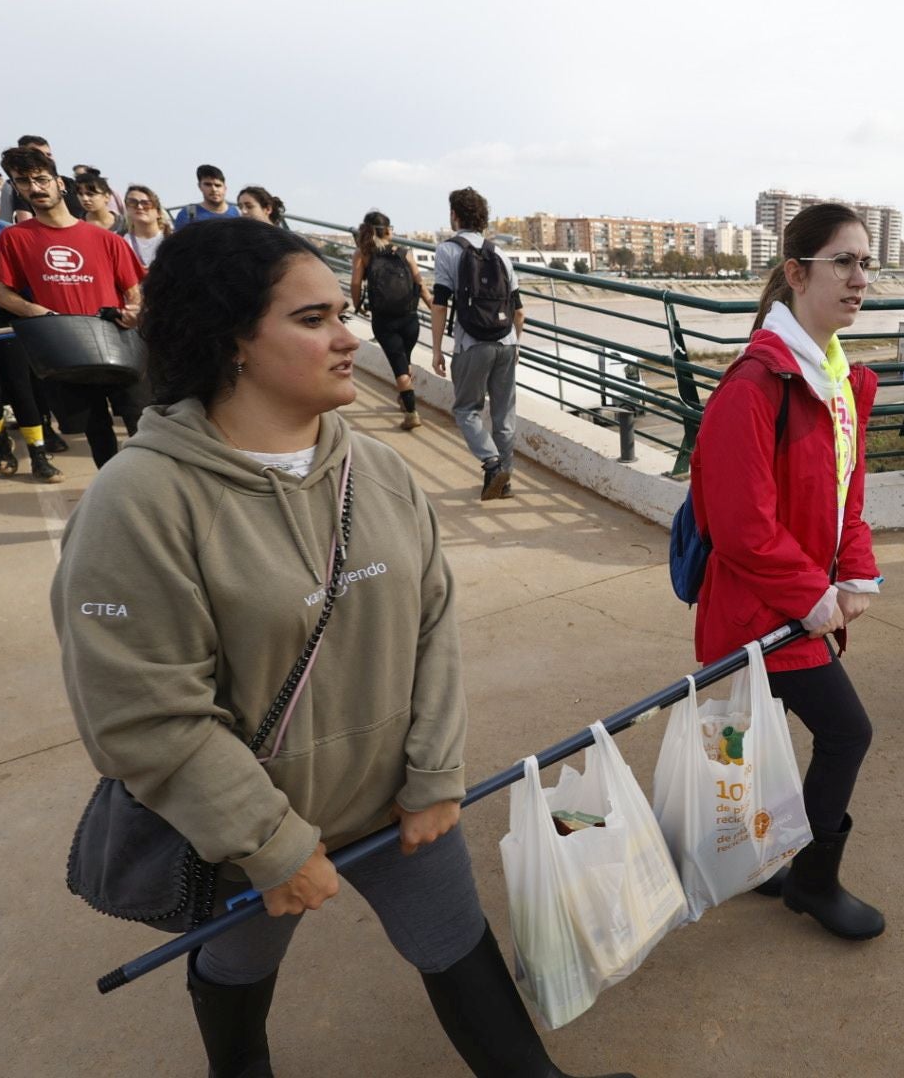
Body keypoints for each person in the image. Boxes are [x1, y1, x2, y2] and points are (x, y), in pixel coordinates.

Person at [49, 217, 635, 1078]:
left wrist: (435, 774)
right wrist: (274, 845)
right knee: (241, 962)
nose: (348, 337)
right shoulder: (138, 503)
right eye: (314, 318)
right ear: (231, 342)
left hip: (399, 802)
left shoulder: (378, 470)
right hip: (253, 829)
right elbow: (145, 716)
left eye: (342, 312)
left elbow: (431, 623)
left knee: (455, 940)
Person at [690, 202, 885, 940]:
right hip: (755, 611)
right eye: (844, 262)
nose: (860, 278)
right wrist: (812, 595)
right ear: (797, 274)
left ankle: (756, 860)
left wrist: (856, 575)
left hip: (797, 607)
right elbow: (741, 528)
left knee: (746, 739)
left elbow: (847, 494)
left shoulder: (835, 381)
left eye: (867, 262)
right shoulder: (757, 384)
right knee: (845, 732)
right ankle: (809, 879)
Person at [0, 146, 144, 468]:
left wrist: (133, 313)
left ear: (60, 183)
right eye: (23, 181)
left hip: (117, 343)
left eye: (41, 179)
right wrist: (41, 314)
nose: (34, 188)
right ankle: (113, 496)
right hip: (66, 350)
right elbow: (3, 294)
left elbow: (134, 293)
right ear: (16, 188)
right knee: (97, 434)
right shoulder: (15, 238)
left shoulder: (107, 240)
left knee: (142, 425)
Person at [0, 170, 62, 482]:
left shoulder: (2, 231)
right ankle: (1, 439)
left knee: (22, 388)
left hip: (5, 320)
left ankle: (38, 453)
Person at [430, 186, 526, 499]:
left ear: (454, 216)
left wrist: (436, 350)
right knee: (504, 415)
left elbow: (440, 304)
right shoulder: (501, 254)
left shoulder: (447, 250)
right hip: (506, 341)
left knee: (466, 410)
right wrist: (516, 346)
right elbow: (519, 311)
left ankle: (492, 462)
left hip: (471, 342)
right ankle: (505, 482)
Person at [352, 210, 432, 430]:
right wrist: (431, 305)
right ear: (387, 230)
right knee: (404, 361)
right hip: (410, 318)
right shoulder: (405, 252)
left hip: (384, 320)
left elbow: (356, 284)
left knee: (399, 367)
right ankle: (404, 397)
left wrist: (358, 306)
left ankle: (411, 412)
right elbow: (420, 282)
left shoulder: (363, 253)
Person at [0, 136, 85, 223]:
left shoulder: (70, 183)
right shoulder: (18, 188)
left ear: (60, 183)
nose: (35, 188)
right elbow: (19, 219)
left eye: (48, 154)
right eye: (38, 154)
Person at [173, 164, 239, 228]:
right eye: (208, 185)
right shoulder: (190, 212)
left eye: (218, 185)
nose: (214, 189)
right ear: (200, 186)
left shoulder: (235, 212)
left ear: (225, 188)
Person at [121, 184, 170, 268]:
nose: (139, 207)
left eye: (146, 204)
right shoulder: (121, 242)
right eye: (132, 202)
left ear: (158, 213)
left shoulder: (170, 239)